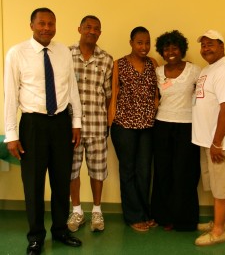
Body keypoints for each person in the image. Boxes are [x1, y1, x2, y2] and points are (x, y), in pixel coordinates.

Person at [4, 7, 82, 255]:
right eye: (42, 24)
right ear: (32, 25)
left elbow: (72, 88)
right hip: (32, 125)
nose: (47, 28)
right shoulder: (17, 53)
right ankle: (36, 237)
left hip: (61, 123)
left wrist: (76, 121)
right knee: (34, 184)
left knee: (61, 181)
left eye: (51, 24)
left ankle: (60, 230)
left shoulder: (63, 52)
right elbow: (10, 96)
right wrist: (11, 135)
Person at [192, 30, 225, 246]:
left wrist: (217, 142)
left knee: (221, 186)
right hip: (208, 140)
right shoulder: (209, 69)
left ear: (222, 46)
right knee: (215, 185)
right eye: (203, 45)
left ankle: (220, 230)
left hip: (219, 142)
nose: (206, 48)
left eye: (210, 44)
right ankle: (219, 221)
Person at [108, 26, 158, 232]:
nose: (144, 46)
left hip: (147, 125)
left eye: (147, 42)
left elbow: (157, 92)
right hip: (123, 125)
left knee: (145, 171)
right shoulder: (118, 64)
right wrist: (110, 121)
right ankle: (133, 216)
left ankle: (145, 212)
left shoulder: (153, 64)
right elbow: (113, 93)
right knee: (127, 170)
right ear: (131, 42)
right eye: (139, 42)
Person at [151, 30, 201, 231]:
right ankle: (164, 217)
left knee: (185, 174)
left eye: (174, 47)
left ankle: (185, 220)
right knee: (163, 172)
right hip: (161, 126)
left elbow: (206, 95)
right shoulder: (158, 72)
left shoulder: (195, 70)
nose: (170, 52)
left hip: (187, 127)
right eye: (166, 48)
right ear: (162, 52)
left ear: (182, 49)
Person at [67, 15, 113, 233]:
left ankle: (97, 211)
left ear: (100, 33)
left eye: (96, 28)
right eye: (88, 27)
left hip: (97, 124)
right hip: (70, 127)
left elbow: (107, 95)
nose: (92, 31)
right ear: (79, 29)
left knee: (97, 170)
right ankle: (77, 211)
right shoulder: (66, 55)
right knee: (71, 170)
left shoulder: (106, 59)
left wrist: (105, 121)